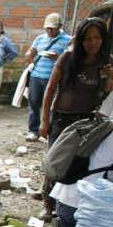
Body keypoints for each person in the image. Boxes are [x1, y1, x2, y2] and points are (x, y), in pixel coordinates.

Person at [41, 18, 113, 227]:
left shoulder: (106, 62)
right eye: (87, 38)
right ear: (80, 40)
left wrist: (110, 78)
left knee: (78, 165)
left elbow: (108, 96)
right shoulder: (68, 58)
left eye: (97, 38)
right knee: (55, 163)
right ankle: (48, 204)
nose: (92, 43)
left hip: (87, 123)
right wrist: (44, 120)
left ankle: (68, 205)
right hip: (63, 118)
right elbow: (50, 90)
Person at [23, 13, 71, 141]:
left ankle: (48, 132)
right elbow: (31, 52)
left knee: (51, 106)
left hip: (53, 78)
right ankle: (33, 130)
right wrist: (29, 55)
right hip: (36, 76)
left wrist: (58, 57)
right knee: (33, 104)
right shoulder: (40, 39)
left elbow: (72, 59)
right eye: (47, 28)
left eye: (52, 28)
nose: (49, 30)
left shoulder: (67, 40)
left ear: (60, 26)